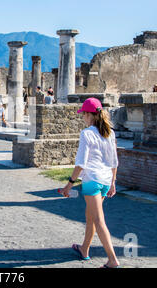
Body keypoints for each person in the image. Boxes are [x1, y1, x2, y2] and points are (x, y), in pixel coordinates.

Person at [61, 98, 120, 268]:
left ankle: (112, 260)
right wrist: (113, 182)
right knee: (90, 216)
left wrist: (69, 184)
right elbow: (114, 161)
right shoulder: (110, 133)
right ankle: (84, 248)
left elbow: (81, 163)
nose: (83, 118)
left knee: (99, 220)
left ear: (89, 114)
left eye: (83, 115)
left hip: (92, 180)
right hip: (105, 180)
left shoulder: (86, 134)